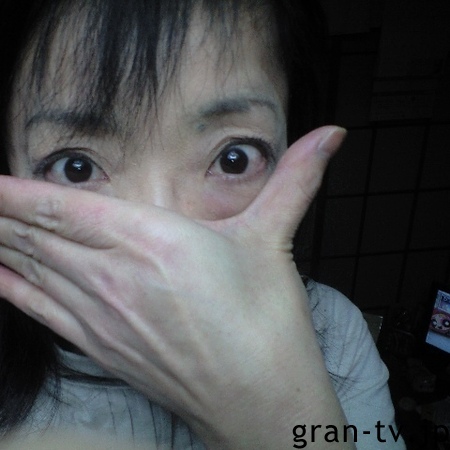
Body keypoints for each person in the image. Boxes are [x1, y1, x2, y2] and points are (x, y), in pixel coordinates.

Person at [0, 0, 405, 448]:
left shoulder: (334, 334)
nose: (164, 249)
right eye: (76, 168)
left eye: (234, 159)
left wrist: (276, 417)